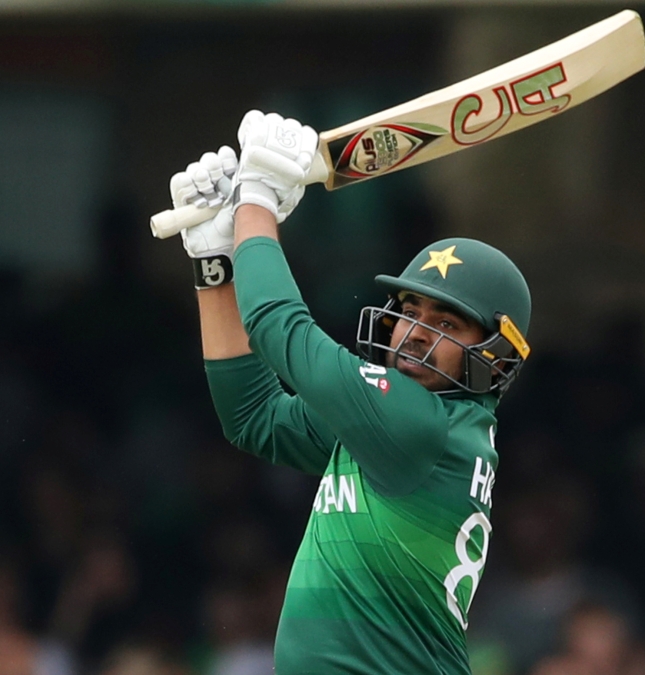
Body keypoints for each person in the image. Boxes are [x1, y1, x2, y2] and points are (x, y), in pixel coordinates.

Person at [167, 110, 532, 674]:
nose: (415, 333)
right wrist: (216, 262)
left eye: (448, 324)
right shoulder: (406, 427)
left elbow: (278, 327)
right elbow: (253, 416)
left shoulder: (417, 423)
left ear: (497, 355)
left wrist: (257, 202)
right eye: (411, 312)